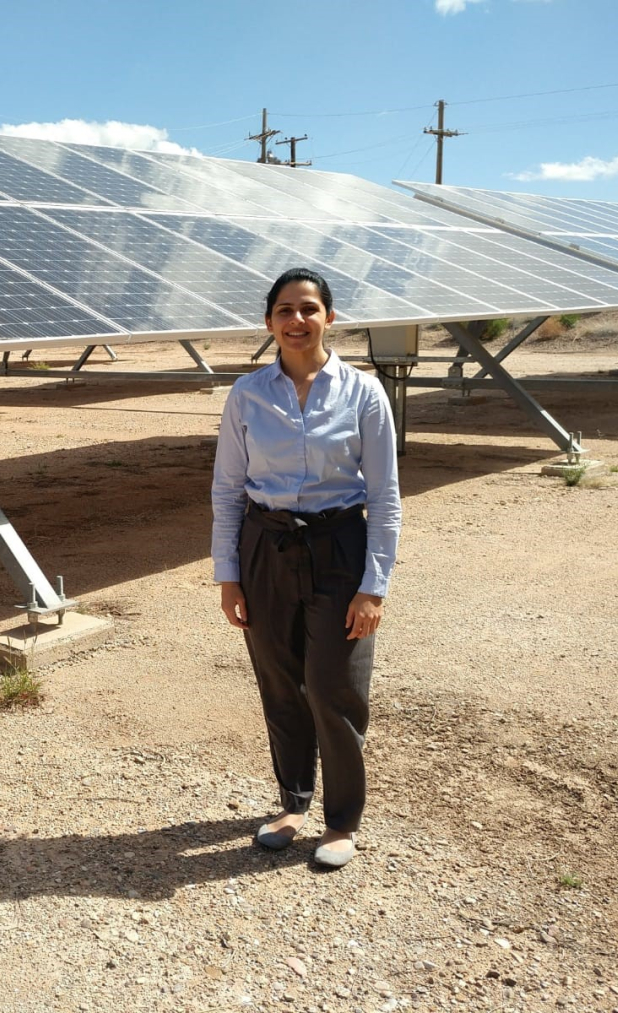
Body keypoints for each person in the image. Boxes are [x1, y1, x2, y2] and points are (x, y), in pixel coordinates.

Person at [211, 267, 401, 869]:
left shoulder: (364, 392)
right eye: (285, 310)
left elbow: (386, 495)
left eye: (309, 309)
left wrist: (374, 585)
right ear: (269, 322)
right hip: (266, 548)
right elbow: (227, 490)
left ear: (330, 317)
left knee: (332, 686)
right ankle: (293, 802)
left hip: (339, 545)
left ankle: (342, 820)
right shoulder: (247, 394)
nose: (297, 321)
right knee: (280, 683)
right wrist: (228, 573)